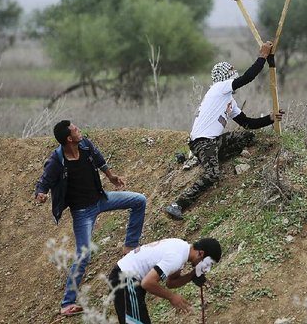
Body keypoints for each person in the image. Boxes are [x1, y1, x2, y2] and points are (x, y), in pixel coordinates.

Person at [35, 120, 147, 317]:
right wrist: (41, 194)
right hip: (82, 212)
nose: (80, 130)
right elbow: (45, 181)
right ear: (69, 138)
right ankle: (67, 304)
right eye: (76, 129)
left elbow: (98, 159)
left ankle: (129, 246)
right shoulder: (57, 160)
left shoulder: (85, 145)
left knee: (139, 200)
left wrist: (111, 177)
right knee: (83, 255)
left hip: (101, 199)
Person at [164, 41, 284, 220]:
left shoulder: (229, 101)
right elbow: (247, 78)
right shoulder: (219, 88)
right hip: (202, 142)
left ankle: (213, 159)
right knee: (212, 175)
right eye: (232, 74)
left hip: (212, 142)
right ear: (226, 77)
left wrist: (270, 119)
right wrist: (262, 56)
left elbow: (247, 123)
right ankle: (178, 204)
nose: (234, 76)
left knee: (247, 136)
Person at [108, 237, 221, 324]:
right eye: (208, 263)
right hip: (125, 279)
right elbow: (147, 283)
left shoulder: (181, 247)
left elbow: (171, 283)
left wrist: (191, 275)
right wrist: (172, 297)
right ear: (201, 253)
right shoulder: (176, 257)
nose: (207, 268)